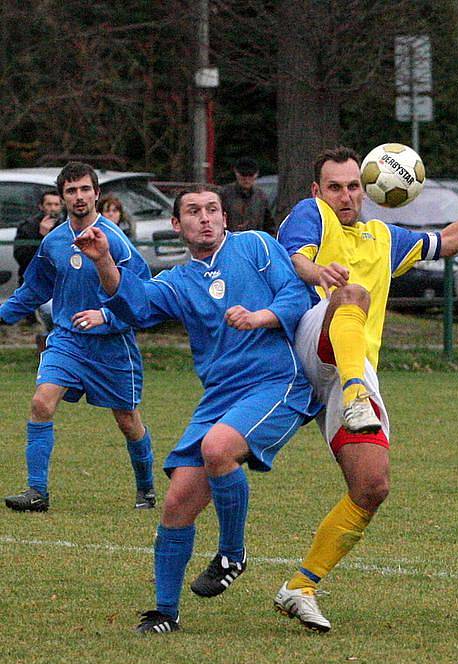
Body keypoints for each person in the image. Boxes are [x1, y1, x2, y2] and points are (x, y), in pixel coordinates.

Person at [272, 146, 458, 632]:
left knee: (372, 486)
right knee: (352, 294)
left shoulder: (382, 237)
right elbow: (296, 259)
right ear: (318, 191)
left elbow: (446, 242)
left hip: (353, 363)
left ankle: (301, 586)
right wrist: (320, 273)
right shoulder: (309, 214)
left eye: (353, 186)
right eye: (335, 187)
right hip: (312, 336)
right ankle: (357, 392)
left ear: (367, 190)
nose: (345, 196)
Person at [74, 184, 319, 634]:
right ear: (176, 225)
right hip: (220, 396)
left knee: (219, 447)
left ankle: (232, 552)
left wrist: (259, 317)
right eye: (193, 212)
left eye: (212, 210)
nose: (205, 218)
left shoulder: (257, 246)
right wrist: (104, 260)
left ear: (225, 218)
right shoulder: (179, 281)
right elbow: (134, 305)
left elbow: (297, 294)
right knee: (176, 503)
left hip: (276, 382)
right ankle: (166, 612)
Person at [0, 162, 156, 512]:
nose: (79, 196)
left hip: (112, 346)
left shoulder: (115, 241)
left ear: (97, 194)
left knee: (128, 421)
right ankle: (37, 491)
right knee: (41, 402)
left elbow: (142, 293)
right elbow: (34, 287)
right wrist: (3, 314)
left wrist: (108, 316)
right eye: (71, 190)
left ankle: (146, 488)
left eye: (85, 189)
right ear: (62, 197)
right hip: (67, 340)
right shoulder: (54, 241)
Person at [13, 190, 64, 351]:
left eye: (56, 204)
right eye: (49, 204)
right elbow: (22, 258)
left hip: (63, 284)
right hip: (38, 285)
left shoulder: (67, 227)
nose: (53, 208)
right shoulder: (27, 228)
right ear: (41, 206)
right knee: (50, 311)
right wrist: (41, 237)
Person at [220, 157, 275, 235]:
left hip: (254, 241)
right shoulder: (224, 194)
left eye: (250, 176)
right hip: (229, 240)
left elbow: (269, 224)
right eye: (243, 176)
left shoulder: (261, 197)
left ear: (256, 175)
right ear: (236, 173)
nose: (247, 179)